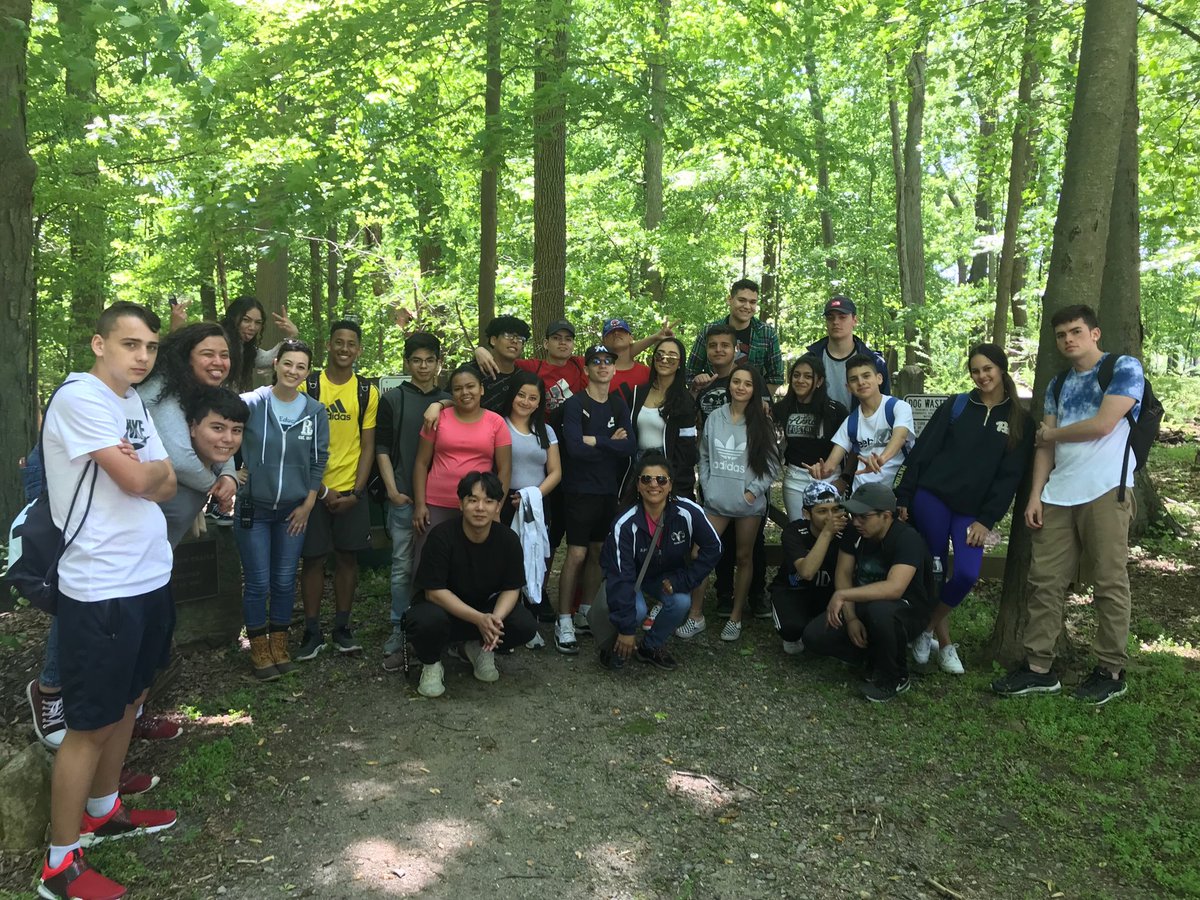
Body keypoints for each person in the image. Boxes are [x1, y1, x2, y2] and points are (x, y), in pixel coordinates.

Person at [37, 302, 178, 900]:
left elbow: (163, 475)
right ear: (99, 344)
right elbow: (145, 480)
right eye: (129, 344)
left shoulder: (130, 400)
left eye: (148, 346)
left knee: (131, 699)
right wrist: (150, 474)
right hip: (101, 587)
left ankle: (103, 807)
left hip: (149, 577)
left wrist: (151, 473)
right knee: (89, 724)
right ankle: (59, 864)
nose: (141, 356)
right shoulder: (81, 398)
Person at [992, 305, 1144, 705]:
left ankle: (1110, 670)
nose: (1068, 340)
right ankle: (1039, 668)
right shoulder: (1058, 384)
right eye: (1061, 335)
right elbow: (1045, 446)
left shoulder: (1123, 368)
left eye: (1075, 331)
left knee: (1109, 582)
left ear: (1095, 333)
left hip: (1107, 490)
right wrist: (1035, 494)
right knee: (1045, 582)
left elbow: (1103, 424)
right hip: (1058, 494)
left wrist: (1051, 433)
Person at [895, 343, 1033, 675]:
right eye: (975, 370)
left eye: (988, 368)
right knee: (936, 571)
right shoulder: (957, 406)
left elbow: (1009, 478)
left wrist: (987, 520)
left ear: (1001, 368)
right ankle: (944, 644)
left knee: (968, 574)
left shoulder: (1019, 421)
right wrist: (904, 496)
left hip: (973, 512)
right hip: (933, 498)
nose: (982, 375)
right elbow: (923, 452)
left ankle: (926, 628)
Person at [236, 340, 330, 679]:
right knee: (258, 581)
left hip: (294, 511)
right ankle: (259, 648)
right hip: (253, 509)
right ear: (276, 364)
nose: (293, 371)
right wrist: (230, 472)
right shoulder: (251, 403)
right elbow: (221, 435)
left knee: (284, 580)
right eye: (288, 364)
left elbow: (319, 460)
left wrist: (307, 504)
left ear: (307, 372)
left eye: (301, 367)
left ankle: (280, 643)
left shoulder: (315, 412)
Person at [405, 471, 537, 698]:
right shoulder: (441, 537)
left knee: (524, 624)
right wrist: (479, 619)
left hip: (483, 610)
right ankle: (432, 663)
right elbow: (433, 593)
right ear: (460, 504)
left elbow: (511, 588)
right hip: (445, 612)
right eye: (473, 500)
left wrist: (494, 620)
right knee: (425, 620)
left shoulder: (508, 540)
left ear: (498, 506)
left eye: (488, 501)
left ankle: (478, 648)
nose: (480, 508)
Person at [802, 482, 935, 703]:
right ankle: (872, 656)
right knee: (814, 636)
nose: (856, 521)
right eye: (853, 515)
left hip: (906, 609)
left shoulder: (907, 538)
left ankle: (895, 677)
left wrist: (844, 596)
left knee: (880, 611)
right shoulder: (854, 532)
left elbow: (895, 588)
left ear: (886, 516)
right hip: (866, 604)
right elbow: (843, 573)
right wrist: (851, 617)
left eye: (864, 516)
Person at [679, 364, 780, 642]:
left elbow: (772, 465)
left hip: (748, 504)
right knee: (700, 554)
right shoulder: (715, 418)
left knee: (744, 557)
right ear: (729, 385)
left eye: (747, 384)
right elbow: (705, 455)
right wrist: (708, 486)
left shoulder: (762, 421)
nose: (741, 387)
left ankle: (736, 617)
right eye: (736, 382)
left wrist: (751, 493)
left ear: (754, 388)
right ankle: (695, 615)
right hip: (716, 501)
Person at [592, 452, 721, 671]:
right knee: (637, 610)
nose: (654, 485)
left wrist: (683, 580)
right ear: (639, 486)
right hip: (629, 577)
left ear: (670, 485)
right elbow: (620, 577)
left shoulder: (687, 512)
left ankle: (650, 647)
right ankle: (614, 646)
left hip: (664, 576)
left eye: (661, 479)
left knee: (681, 601)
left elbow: (714, 548)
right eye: (646, 479)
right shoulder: (625, 524)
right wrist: (627, 630)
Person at [298, 320, 379, 660]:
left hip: (350, 491)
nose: (345, 349)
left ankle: (343, 627)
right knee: (313, 559)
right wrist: (323, 489)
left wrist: (356, 494)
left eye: (351, 344)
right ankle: (311, 630)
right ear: (329, 345)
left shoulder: (366, 391)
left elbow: (368, 446)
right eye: (339, 342)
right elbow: (299, 446)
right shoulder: (308, 386)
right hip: (313, 491)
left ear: (358, 350)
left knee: (348, 558)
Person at [554, 344, 637, 654]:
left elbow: (630, 446)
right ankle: (563, 620)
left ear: (614, 369)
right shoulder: (575, 404)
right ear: (586, 369)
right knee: (575, 554)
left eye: (608, 361)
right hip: (578, 490)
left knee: (597, 551)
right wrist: (606, 443)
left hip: (607, 490)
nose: (603, 366)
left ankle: (585, 611)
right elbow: (574, 449)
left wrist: (594, 440)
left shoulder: (617, 403)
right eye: (596, 362)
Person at [375, 333, 450, 667]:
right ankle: (399, 626)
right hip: (404, 497)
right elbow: (381, 449)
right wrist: (392, 491)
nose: (423, 366)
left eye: (429, 360)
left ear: (438, 363)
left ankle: (442, 627)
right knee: (402, 566)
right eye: (416, 360)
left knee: (440, 567)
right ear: (407, 363)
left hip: (441, 500)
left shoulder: (450, 400)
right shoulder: (392, 399)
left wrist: (443, 402)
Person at [137, 323, 239, 541]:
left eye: (224, 355)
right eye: (207, 354)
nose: (218, 362)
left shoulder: (203, 387)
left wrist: (229, 477)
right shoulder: (160, 391)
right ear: (186, 356)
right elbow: (181, 460)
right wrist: (217, 489)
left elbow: (222, 442)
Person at [412, 364, 512, 563]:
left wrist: (496, 507)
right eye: (458, 389)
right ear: (452, 393)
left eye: (470, 386)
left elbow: (505, 468)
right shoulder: (437, 419)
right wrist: (420, 504)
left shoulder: (496, 422)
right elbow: (421, 463)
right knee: (429, 560)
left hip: (478, 505)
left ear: (481, 389)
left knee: (473, 563)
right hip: (436, 504)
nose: (465, 392)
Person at [502, 371, 562, 646]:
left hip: (536, 503)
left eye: (533, 397)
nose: (525, 402)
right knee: (507, 561)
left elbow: (555, 472)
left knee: (534, 560)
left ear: (540, 402)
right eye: (521, 395)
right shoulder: (498, 425)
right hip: (503, 502)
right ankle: (504, 621)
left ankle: (529, 620)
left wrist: (531, 496)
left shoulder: (546, 431)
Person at [808, 355, 913, 490]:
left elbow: (901, 437)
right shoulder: (851, 422)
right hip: (862, 495)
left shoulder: (898, 407)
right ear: (848, 387)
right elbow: (831, 465)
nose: (861, 382)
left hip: (895, 491)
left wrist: (881, 459)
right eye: (854, 379)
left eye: (866, 376)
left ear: (879, 378)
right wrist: (821, 471)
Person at [770, 480, 848, 655]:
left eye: (836, 510)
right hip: (794, 590)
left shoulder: (848, 532)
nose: (830, 517)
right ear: (807, 513)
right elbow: (806, 572)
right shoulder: (794, 532)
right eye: (822, 511)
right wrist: (827, 533)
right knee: (791, 630)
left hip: (829, 594)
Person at [619, 337, 698, 501]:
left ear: (680, 362)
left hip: (666, 470)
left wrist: (677, 487)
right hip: (636, 468)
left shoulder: (684, 400)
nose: (664, 360)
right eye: (660, 355)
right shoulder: (637, 393)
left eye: (672, 357)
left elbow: (687, 451)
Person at [774, 354, 850, 522]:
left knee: (831, 531)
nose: (800, 380)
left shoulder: (835, 411)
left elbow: (852, 448)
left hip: (829, 479)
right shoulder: (780, 409)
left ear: (819, 381)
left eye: (808, 376)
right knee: (799, 530)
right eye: (796, 375)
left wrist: (844, 480)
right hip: (795, 480)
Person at [687, 278, 784, 392]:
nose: (747, 306)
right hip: (712, 402)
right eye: (742, 300)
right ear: (730, 300)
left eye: (753, 302)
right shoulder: (709, 330)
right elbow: (690, 373)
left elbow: (776, 378)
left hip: (751, 405)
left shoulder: (767, 334)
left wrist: (758, 401)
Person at [805, 295, 889, 411]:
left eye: (842, 317)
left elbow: (885, 406)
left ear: (855, 320)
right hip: (819, 427)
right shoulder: (810, 360)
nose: (835, 322)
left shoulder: (874, 362)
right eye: (830, 318)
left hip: (862, 427)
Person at [218, 295, 299, 391]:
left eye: (257, 322)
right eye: (246, 320)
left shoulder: (246, 349)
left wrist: (293, 336)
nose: (252, 327)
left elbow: (267, 360)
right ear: (233, 318)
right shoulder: (217, 340)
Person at [478, 315, 532, 413]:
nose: (515, 341)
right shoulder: (473, 371)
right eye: (508, 335)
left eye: (520, 338)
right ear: (493, 340)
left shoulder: (522, 378)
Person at [693, 323, 738, 426]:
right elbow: (686, 415)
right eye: (712, 346)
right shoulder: (702, 382)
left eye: (725, 345)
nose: (718, 350)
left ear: (736, 349)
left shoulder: (749, 379)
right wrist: (694, 390)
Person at [600, 317, 652, 396]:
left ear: (631, 338)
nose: (616, 333)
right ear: (604, 342)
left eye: (622, 330)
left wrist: (657, 337)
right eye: (611, 332)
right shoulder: (596, 372)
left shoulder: (647, 373)